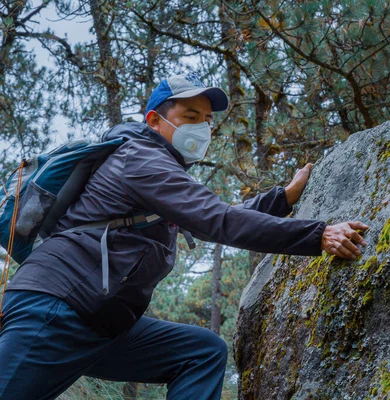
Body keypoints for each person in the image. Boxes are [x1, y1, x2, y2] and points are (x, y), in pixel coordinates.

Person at [0, 72, 368, 399]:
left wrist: (282, 198)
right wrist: (319, 235)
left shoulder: (157, 171)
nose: (202, 128)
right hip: (56, 310)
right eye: (190, 117)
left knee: (200, 352)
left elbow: (208, 218)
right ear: (154, 121)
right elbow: (216, 220)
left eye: (207, 120)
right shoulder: (140, 158)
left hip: (99, 322)